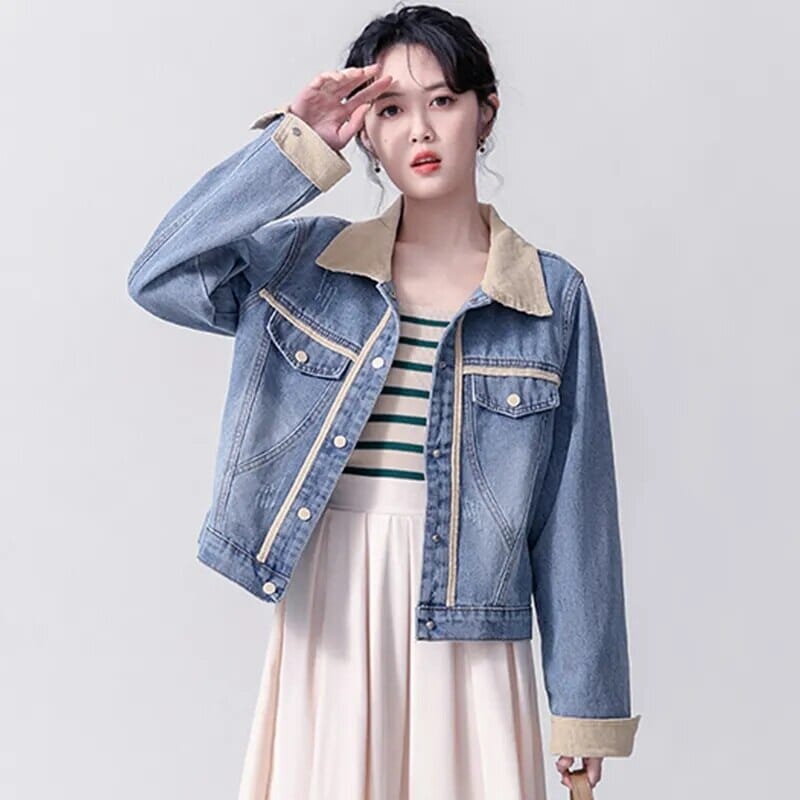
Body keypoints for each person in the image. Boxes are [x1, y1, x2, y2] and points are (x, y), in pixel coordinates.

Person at [127, 5, 641, 798]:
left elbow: (576, 514)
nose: (420, 130)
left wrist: (584, 709)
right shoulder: (309, 265)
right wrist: (297, 142)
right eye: (391, 109)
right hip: (333, 606)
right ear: (365, 131)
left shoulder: (548, 296)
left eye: (443, 101)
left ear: (485, 112)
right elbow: (161, 275)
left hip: (471, 617)